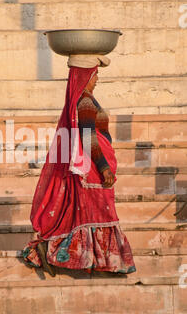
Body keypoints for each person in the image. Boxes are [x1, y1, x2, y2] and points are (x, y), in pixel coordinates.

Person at [22, 55, 136, 277]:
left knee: (94, 216)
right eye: (95, 74)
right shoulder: (84, 101)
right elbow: (88, 138)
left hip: (92, 169)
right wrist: (103, 167)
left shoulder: (86, 100)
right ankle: (75, 258)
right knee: (100, 214)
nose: (97, 78)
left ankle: (92, 260)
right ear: (86, 76)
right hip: (94, 171)